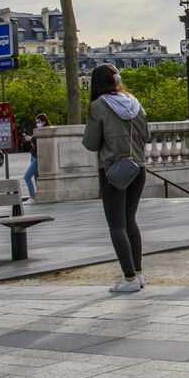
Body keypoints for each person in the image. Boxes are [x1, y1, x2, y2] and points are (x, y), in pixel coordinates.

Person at [82, 65, 148, 293]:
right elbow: (146, 135)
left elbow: (90, 143)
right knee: (131, 221)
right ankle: (138, 273)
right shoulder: (134, 102)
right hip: (138, 168)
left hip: (113, 170)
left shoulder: (98, 107)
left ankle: (128, 278)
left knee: (117, 225)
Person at [22, 113, 47, 202]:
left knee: (27, 177)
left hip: (38, 157)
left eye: (39, 122)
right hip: (33, 155)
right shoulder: (38, 130)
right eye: (36, 122)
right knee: (36, 176)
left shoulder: (45, 131)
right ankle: (37, 195)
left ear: (44, 122)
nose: (37, 124)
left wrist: (31, 139)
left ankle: (32, 196)